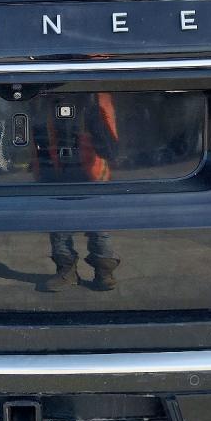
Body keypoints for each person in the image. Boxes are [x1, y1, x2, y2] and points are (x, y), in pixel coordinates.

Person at [38, 92, 121, 291]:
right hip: (59, 175)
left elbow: (109, 148)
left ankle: (104, 272)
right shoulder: (48, 103)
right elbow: (41, 139)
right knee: (60, 228)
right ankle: (66, 271)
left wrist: (92, 114)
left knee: (98, 228)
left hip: (93, 177)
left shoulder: (95, 100)